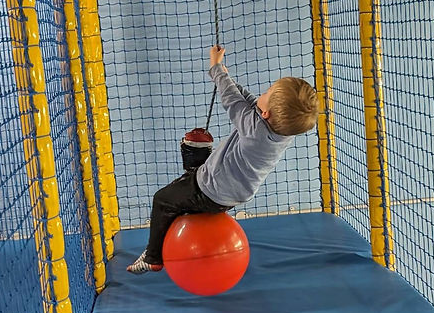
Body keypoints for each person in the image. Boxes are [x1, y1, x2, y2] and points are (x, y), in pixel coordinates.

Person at [128, 46, 319, 274]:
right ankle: (190, 203)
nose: (263, 93)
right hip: (234, 191)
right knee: (195, 161)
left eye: (267, 92)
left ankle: (153, 256)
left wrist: (216, 67)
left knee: (162, 199)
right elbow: (249, 103)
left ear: (266, 114)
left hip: (212, 189)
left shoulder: (255, 129)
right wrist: (224, 78)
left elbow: (233, 101)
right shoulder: (283, 131)